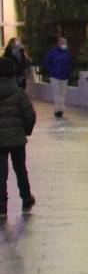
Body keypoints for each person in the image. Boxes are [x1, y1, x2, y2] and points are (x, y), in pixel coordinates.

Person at [0, 56, 36, 216]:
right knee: (20, 169)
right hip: (17, 139)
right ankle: (26, 199)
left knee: (1, 172)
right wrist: (24, 131)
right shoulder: (19, 94)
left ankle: (1, 206)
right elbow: (30, 116)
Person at [42, 36, 71, 117]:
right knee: (56, 91)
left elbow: (69, 63)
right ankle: (59, 107)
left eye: (65, 43)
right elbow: (47, 62)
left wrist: (68, 72)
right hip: (54, 75)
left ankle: (60, 107)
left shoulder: (67, 53)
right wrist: (52, 70)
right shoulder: (52, 52)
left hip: (64, 75)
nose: (65, 45)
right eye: (63, 43)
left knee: (63, 92)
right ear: (59, 43)